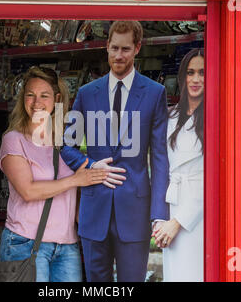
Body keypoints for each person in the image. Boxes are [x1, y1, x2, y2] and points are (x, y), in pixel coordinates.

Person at [60, 21, 170, 282]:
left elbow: (160, 155)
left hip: (135, 211)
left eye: (126, 49)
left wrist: (158, 214)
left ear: (137, 48)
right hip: (94, 209)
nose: (119, 55)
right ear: (106, 47)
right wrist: (90, 165)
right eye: (114, 48)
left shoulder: (155, 94)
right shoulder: (87, 94)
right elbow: (66, 145)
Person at [0, 66, 108, 282]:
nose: (36, 102)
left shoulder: (66, 140)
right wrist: (76, 179)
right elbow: (28, 191)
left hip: (67, 244)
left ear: (57, 98)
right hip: (26, 243)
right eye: (30, 95)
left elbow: (74, 197)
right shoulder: (14, 140)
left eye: (44, 95)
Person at [153, 48, 205, 282]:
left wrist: (178, 221)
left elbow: (213, 178)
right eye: (191, 72)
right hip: (171, 208)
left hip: (199, 215)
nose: (196, 79)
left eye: (202, 72)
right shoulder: (170, 116)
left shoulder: (217, 115)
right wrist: (160, 220)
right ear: (182, 76)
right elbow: (160, 169)